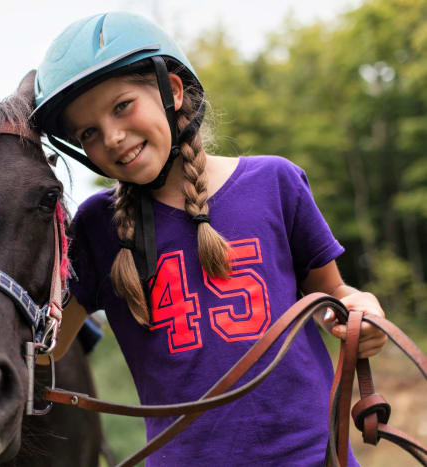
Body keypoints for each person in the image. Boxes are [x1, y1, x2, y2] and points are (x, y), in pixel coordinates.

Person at [30, 11, 388, 466]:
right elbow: (45, 352)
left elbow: (333, 295)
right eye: (89, 133)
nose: (114, 137)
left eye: (122, 106)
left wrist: (363, 314)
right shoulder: (96, 227)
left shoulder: (275, 183)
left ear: (172, 91)